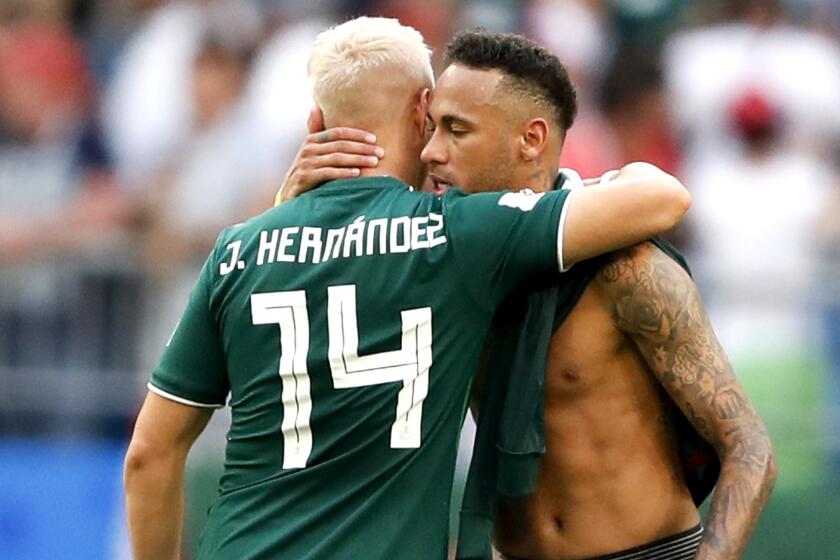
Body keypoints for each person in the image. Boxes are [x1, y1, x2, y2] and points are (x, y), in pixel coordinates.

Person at [123, 18, 692, 560]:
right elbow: (662, 199)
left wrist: (279, 213)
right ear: (424, 112)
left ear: (316, 123)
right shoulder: (459, 232)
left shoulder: (237, 252)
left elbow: (149, 455)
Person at [278, 29, 777, 560]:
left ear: (531, 139)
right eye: (430, 128)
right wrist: (288, 204)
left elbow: (749, 448)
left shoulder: (625, 267)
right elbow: (291, 316)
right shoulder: (432, 261)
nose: (431, 152)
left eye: (457, 130)